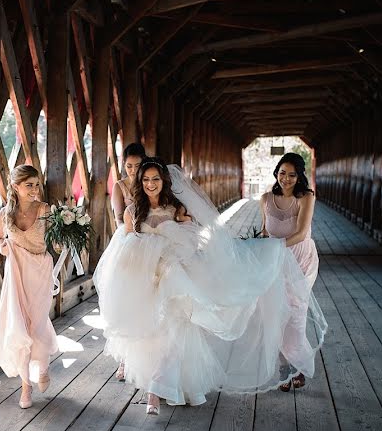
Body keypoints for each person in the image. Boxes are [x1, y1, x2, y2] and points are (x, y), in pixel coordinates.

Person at [94, 157, 326, 415]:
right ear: (140, 182)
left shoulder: (176, 210)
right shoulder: (132, 213)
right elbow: (127, 252)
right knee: (155, 337)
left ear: (164, 182)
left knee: (176, 333)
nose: (151, 184)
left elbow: (192, 241)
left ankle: (155, 392)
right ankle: (170, 388)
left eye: (156, 179)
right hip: (149, 282)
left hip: (177, 281)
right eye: (146, 179)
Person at [0, 165, 58, 409]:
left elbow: (57, 240)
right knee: (18, 325)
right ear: (15, 186)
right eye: (29, 185)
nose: (34, 189)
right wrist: (3, 248)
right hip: (16, 273)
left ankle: (42, 367)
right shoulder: (4, 215)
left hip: (40, 272)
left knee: (37, 324)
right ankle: (25, 386)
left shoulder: (45, 210)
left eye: (37, 184)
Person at [261, 152, 318, 391]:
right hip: (275, 262)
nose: (286, 178)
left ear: (299, 177)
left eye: (292, 175)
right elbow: (265, 232)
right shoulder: (265, 199)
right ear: (276, 173)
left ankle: (299, 364)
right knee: (275, 313)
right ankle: (284, 366)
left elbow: (302, 233)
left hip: (300, 260)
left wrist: (276, 246)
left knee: (295, 312)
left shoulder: (306, 197)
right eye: (282, 173)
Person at [107, 142, 145, 381]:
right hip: (128, 242)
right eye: (129, 166)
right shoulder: (120, 186)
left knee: (145, 302)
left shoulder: (151, 183)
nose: (132, 170)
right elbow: (120, 219)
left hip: (153, 242)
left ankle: (144, 357)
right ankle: (124, 361)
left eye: (137, 165)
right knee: (126, 302)